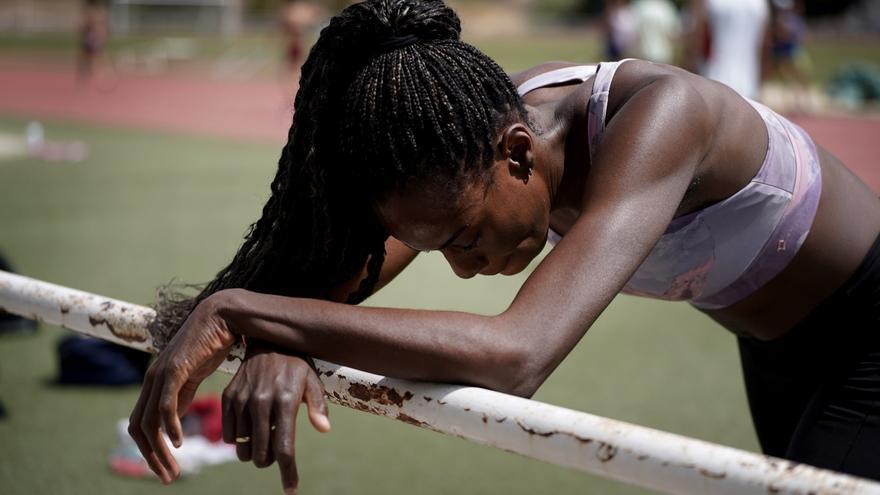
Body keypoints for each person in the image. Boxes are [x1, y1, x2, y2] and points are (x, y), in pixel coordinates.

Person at [128, 0, 880, 493]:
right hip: (776, 349)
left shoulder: (664, 118)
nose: (461, 265)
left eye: (462, 237)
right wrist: (279, 335)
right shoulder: (462, 141)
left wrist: (239, 309)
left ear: (518, 153)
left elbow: (517, 353)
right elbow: (340, 291)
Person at [689, 0, 770, 100]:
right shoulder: (759, 3)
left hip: (713, 80)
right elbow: (763, 46)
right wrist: (760, 84)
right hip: (748, 84)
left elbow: (698, 40)